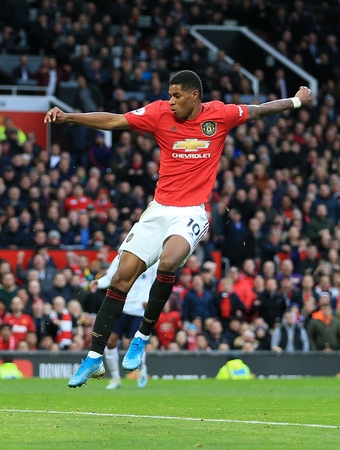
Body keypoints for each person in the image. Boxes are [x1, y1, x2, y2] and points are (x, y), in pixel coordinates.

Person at [45, 70, 313, 388]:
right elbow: (115, 121)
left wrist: (297, 101)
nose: (170, 101)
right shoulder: (159, 113)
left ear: (194, 95)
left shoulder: (220, 115)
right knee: (120, 278)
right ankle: (93, 358)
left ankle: (142, 337)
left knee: (170, 261)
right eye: (169, 95)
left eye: (176, 95)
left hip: (191, 212)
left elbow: (259, 110)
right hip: (158, 210)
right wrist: (69, 117)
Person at [92, 253, 156, 390]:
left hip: (139, 310)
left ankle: (141, 371)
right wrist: (99, 282)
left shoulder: (153, 259)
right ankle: (115, 378)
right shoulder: (122, 256)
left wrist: (151, 301)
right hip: (120, 307)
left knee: (135, 342)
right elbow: (110, 277)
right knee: (110, 341)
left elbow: (157, 281)